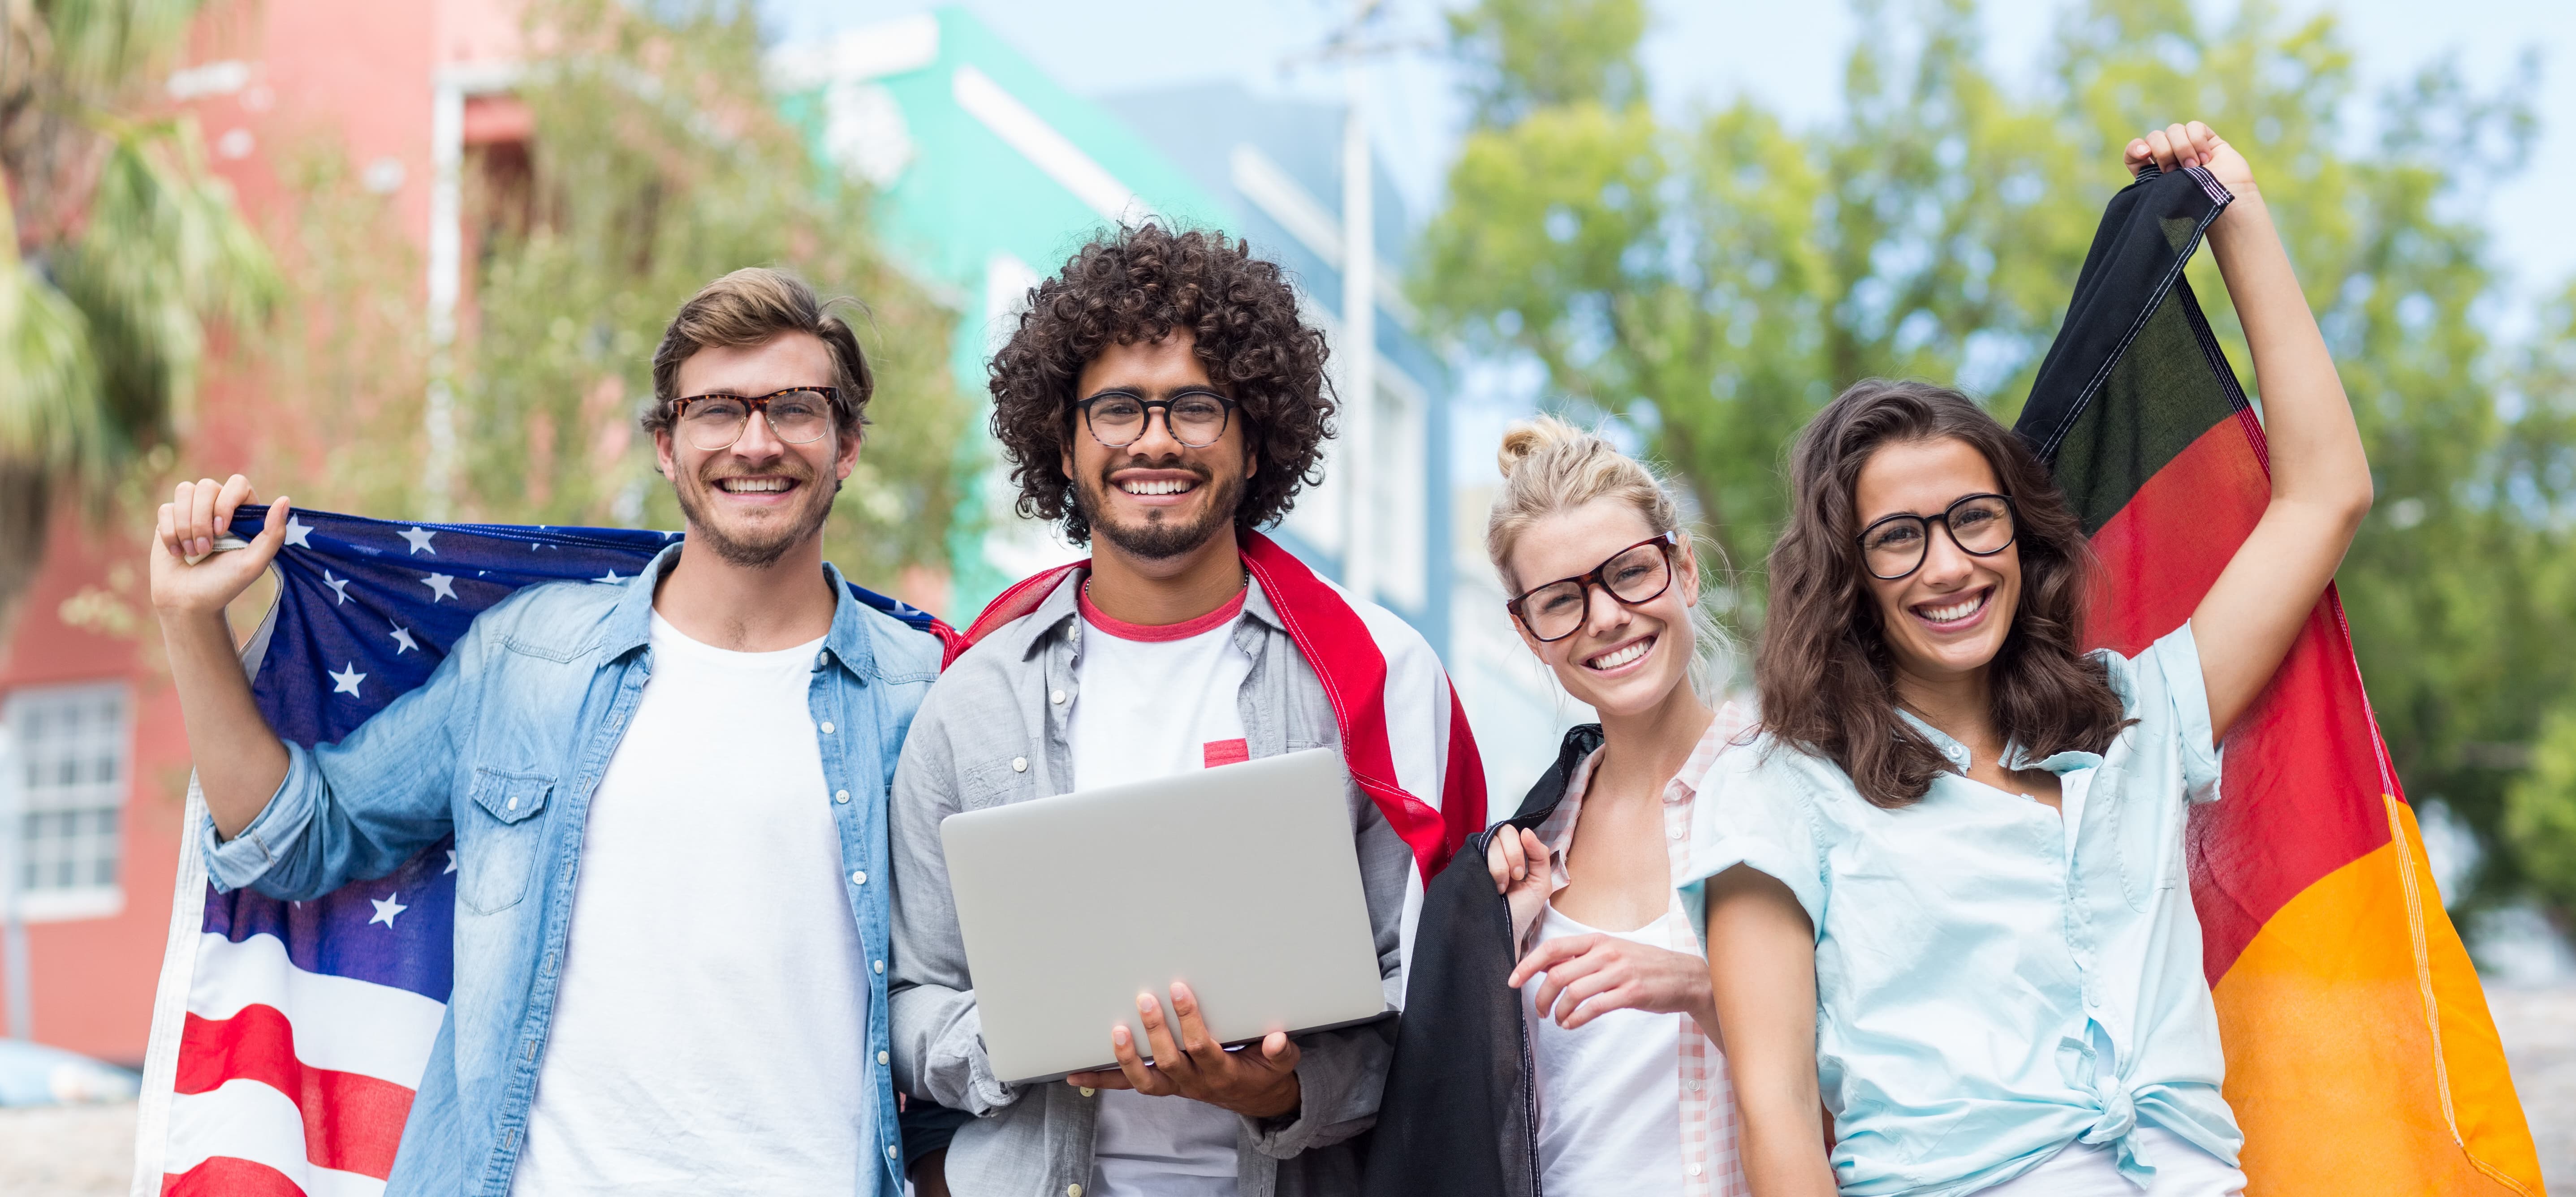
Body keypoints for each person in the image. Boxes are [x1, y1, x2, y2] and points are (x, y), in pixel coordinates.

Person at [1686, 122, 2375, 1197]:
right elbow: (1775, 1117)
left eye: (1973, 519)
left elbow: (2325, 496)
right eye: (1898, 536)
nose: (1948, 565)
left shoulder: (2134, 718)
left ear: (2022, 533)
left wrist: (2233, 207)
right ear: (1849, 574)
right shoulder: (1777, 792)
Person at [148, 268, 941, 1196]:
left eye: (796, 408)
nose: (756, 441)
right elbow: (298, 837)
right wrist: (188, 621)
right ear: (666, 442)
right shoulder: (528, 657)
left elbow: (959, 1014)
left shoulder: (920, 693)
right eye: (718, 409)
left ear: (846, 444)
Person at [888, 222, 1484, 1197]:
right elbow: (912, 998)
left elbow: (1428, 1013)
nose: (1155, 439)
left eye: (1195, 407)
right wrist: (1024, 1038)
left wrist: (1278, 1089)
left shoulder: (1374, 680)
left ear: (1255, 443)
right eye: (1117, 408)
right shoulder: (971, 699)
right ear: (1066, 443)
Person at [1366, 418, 1753, 1197]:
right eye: (1559, 600)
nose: (1605, 618)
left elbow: (1870, 1082)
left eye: (1630, 573)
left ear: (1683, 569)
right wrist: (1490, 939)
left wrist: (1701, 987)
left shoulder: (1786, 789)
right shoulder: (1529, 847)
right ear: (1527, 630)